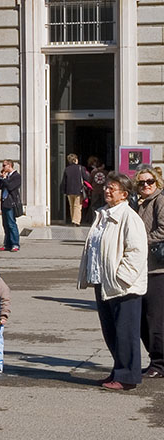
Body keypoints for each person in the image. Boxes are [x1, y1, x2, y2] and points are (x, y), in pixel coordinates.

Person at [77, 172, 148, 390]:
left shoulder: (129, 217)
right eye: (107, 186)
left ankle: (127, 376)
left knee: (126, 333)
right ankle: (118, 370)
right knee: (111, 332)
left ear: (124, 194)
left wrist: (121, 278)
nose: (107, 190)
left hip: (123, 286)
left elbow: (136, 251)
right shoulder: (103, 214)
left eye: (113, 188)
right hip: (103, 282)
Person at [133, 166, 164, 379]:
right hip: (143, 267)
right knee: (143, 318)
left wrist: (141, 241)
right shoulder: (140, 203)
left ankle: (159, 364)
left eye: (149, 181)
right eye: (141, 182)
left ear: (157, 182)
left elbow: (163, 228)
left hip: (158, 268)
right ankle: (155, 359)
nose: (145, 185)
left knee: (155, 318)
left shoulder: (160, 200)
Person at [0, 159, 22, 251]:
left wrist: (4, 179)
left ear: (10, 166)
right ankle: (7, 244)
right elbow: (0, 187)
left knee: (11, 223)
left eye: (4, 165)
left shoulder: (16, 176)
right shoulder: (6, 176)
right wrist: (1, 178)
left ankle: (15, 244)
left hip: (11, 203)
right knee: (5, 224)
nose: (3, 167)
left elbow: (11, 187)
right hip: (4, 202)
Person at [61, 154, 89, 226]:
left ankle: (73, 219)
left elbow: (64, 181)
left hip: (69, 190)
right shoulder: (81, 168)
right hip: (78, 190)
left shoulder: (67, 169)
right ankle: (76, 221)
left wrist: (64, 191)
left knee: (71, 206)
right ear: (75, 160)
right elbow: (86, 178)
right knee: (77, 206)